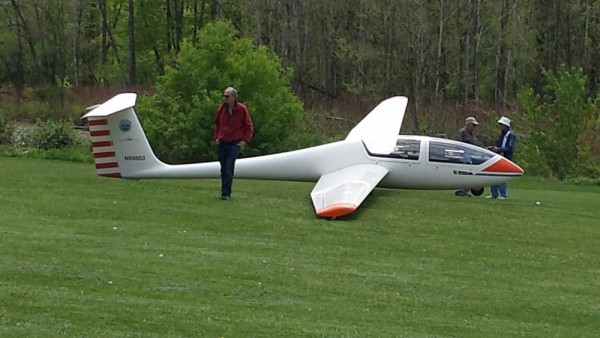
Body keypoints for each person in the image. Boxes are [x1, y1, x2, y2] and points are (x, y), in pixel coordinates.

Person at [214, 87, 254, 200]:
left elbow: (248, 125)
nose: (224, 98)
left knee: (229, 167)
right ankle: (225, 190)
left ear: (233, 97)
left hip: (234, 142)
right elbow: (216, 123)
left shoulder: (241, 109)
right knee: (223, 167)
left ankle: (225, 193)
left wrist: (244, 140)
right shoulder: (222, 109)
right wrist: (217, 136)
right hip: (223, 141)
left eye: (227, 96)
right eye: (224, 96)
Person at [486, 116, 516, 200]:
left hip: (506, 157)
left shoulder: (510, 135)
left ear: (505, 125)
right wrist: (494, 148)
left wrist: (499, 149)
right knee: (494, 175)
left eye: (501, 125)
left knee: (502, 176)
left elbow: (510, 148)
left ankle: (503, 194)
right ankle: (494, 193)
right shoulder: (502, 134)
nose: (500, 126)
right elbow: (500, 145)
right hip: (498, 156)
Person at [455, 116, 479, 197]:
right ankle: (461, 190)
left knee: (469, 173)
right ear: (468, 124)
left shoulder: (471, 133)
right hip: (464, 156)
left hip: (470, 155)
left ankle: (464, 190)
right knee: (464, 173)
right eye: (473, 125)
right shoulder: (463, 132)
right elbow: (459, 145)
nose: (474, 127)